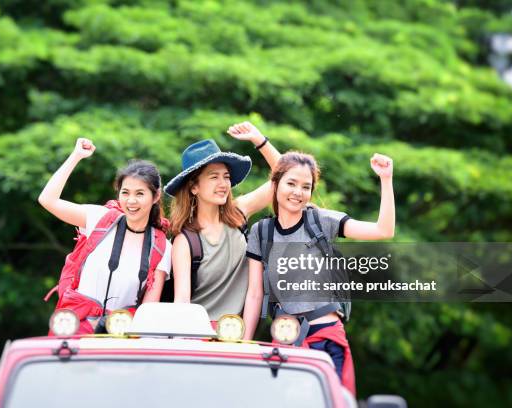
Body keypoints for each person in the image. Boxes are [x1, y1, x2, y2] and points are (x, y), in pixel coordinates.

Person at [242, 151, 395, 395]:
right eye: (291, 183)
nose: (297, 192)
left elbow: (383, 230)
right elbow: (254, 294)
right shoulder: (261, 232)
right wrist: (244, 344)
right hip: (286, 339)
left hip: (326, 336)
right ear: (275, 184)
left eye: (306, 186)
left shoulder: (321, 222)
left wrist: (386, 180)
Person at [39, 138, 171, 334]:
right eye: (125, 192)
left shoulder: (162, 247)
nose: (131, 201)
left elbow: (147, 311)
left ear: (156, 197)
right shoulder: (100, 219)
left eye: (140, 194)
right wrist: (76, 156)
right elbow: (47, 200)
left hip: (121, 335)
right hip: (73, 327)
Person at [165, 122, 281, 321]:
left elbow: (286, 175)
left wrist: (260, 141)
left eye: (226, 177)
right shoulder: (185, 241)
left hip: (238, 331)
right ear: (194, 187)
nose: (223, 184)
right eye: (213, 177)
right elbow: (182, 302)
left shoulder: (238, 213)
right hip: (198, 334)